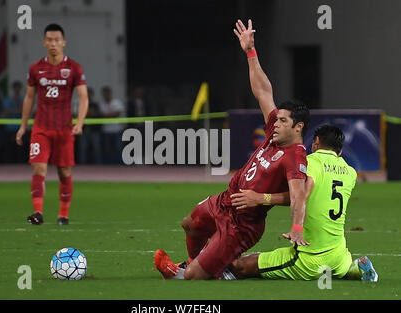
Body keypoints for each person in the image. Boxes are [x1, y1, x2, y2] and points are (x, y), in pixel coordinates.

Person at [154, 18, 310, 280]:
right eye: (278, 118)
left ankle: (190, 272)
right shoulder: (274, 133)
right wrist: (250, 52)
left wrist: (285, 218)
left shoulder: (296, 156)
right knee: (190, 225)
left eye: (283, 121)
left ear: (299, 128)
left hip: (244, 224)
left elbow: (299, 195)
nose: (276, 123)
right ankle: (197, 263)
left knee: (194, 278)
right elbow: (263, 92)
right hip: (225, 201)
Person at [226, 125, 378, 282]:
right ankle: (356, 269)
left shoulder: (310, 162)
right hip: (339, 255)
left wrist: (260, 198)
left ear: (316, 142)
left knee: (240, 266)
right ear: (339, 151)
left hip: (309, 259)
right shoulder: (350, 172)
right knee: (342, 269)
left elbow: (300, 196)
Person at [15, 23, 89, 226]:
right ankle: (37, 212)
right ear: (44, 42)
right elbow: (29, 98)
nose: (53, 43)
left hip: (64, 129)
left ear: (63, 42)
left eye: (57, 40)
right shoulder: (36, 68)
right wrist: (23, 126)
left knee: (64, 172)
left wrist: (79, 123)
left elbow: (83, 97)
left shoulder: (74, 68)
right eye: (49, 40)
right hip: (41, 128)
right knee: (38, 168)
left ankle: (63, 215)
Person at [99, 86, 125, 164]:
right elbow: (101, 115)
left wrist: (107, 115)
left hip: (116, 129)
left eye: (107, 93)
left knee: (118, 148)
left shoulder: (116, 102)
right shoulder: (102, 104)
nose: (105, 95)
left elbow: (118, 113)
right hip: (106, 130)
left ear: (110, 93)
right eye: (104, 93)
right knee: (107, 149)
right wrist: (112, 114)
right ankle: (108, 164)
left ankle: (119, 164)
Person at [1, 81, 25, 163]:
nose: (17, 89)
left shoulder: (23, 99)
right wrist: (18, 111)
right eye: (15, 88)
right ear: (13, 89)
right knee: (9, 147)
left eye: (18, 88)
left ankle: (19, 163)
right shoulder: (9, 99)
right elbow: (6, 111)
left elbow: (25, 111)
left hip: (19, 127)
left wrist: (15, 111)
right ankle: (8, 163)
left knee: (20, 147)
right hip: (10, 127)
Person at [78, 87, 102, 164]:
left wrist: (87, 113)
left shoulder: (95, 105)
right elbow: (78, 114)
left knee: (96, 149)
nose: (88, 95)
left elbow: (98, 114)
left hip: (94, 130)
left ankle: (98, 164)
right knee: (83, 148)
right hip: (84, 129)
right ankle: (82, 164)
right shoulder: (80, 104)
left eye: (90, 93)